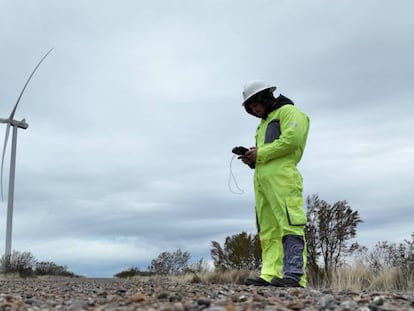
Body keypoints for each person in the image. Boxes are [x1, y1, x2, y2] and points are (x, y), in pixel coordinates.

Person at [238, 80, 310, 288]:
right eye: (250, 108)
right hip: (262, 182)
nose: (254, 110)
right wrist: (252, 159)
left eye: (255, 105)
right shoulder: (263, 124)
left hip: (283, 179)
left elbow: (292, 141)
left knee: (290, 223)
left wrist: (260, 153)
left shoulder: (289, 112)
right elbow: (268, 151)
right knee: (268, 229)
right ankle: (269, 274)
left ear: (265, 97)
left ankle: (295, 276)